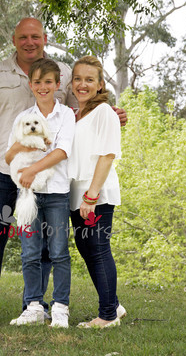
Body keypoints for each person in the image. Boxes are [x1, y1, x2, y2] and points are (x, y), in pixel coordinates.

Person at [0, 17, 127, 320]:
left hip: (50, 177)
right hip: (2, 170)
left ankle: (36, 306)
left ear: (44, 38)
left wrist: (111, 113)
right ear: (14, 39)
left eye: (35, 36)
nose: (29, 42)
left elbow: (85, 106)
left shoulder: (61, 72)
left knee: (46, 245)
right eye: (23, 37)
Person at [5, 58, 75, 328]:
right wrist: (26, 156)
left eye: (49, 82)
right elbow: (9, 153)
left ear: (58, 84)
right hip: (27, 192)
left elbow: (62, 151)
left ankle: (60, 308)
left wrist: (33, 168)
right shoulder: (23, 117)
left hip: (56, 192)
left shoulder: (66, 115)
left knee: (59, 252)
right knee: (30, 252)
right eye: (38, 82)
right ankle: (34, 306)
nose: (43, 87)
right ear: (31, 85)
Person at [68, 55, 126, 328]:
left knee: (99, 249)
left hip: (95, 194)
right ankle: (114, 305)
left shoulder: (104, 112)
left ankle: (107, 316)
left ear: (100, 84)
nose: (82, 84)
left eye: (89, 80)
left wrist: (91, 196)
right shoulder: (77, 115)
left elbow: (107, 155)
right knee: (86, 247)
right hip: (76, 192)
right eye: (78, 78)